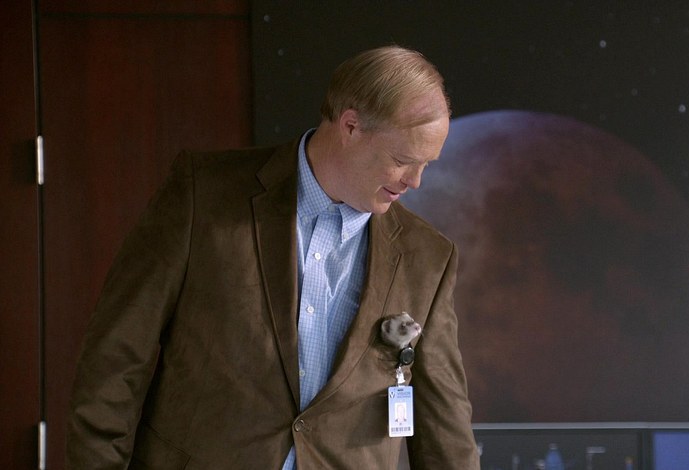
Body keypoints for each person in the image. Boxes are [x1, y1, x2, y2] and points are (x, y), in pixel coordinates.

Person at [67, 45, 480, 469]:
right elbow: (115, 361)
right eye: (402, 160)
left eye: (427, 165)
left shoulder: (427, 256)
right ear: (351, 126)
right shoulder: (203, 195)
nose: (415, 182)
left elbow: (444, 425)